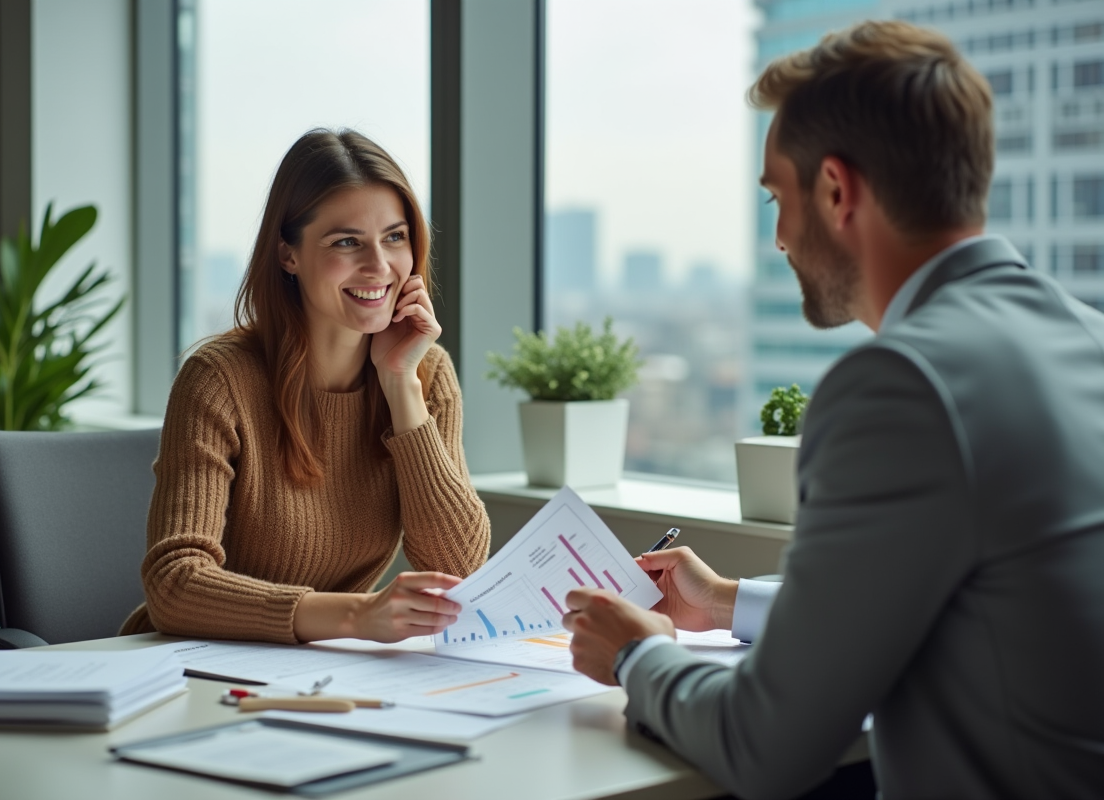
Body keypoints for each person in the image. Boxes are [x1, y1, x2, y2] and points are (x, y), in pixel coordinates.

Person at [562, 20, 1104, 799]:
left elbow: (765, 745)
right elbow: (975, 592)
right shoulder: (1086, 338)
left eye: (777, 199)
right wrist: (726, 602)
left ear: (837, 191)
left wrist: (635, 655)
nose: (779, 237)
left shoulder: (900, 383)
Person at [121, 129, 490, 645]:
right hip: (193, 662)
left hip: (324, 665)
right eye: (346, 242)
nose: (379, 266)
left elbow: (458, 569)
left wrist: (400, 384)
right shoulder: (219, 379)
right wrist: (355, 616)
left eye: (394, 237)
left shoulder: (425, 373)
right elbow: (174, 585)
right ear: (288, 254)